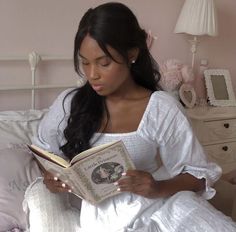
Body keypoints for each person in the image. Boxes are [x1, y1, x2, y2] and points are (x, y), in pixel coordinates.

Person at [27, 2, 236, 231]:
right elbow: (43, 150)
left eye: (103, 63)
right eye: (85, 63)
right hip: (106, 220)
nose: (92, 74)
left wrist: (157, 187)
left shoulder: (160, 108)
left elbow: (199, 174)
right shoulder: (70, 104)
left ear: (132, 54)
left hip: (165, 205)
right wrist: (51, 176)